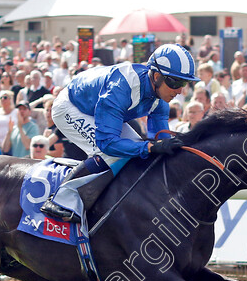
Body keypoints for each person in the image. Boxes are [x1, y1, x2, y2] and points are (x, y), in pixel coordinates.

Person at [40, 43, 199, 223]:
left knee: (137, 151)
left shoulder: (160, 98)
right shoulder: (122, 88)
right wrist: (150, 147)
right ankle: (61, 198)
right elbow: (107, 143)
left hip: (97, 106)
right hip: (70, 107)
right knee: (112, 153)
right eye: (176, 82)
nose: (180, 91)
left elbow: (160, 140)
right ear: (156, 76)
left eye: (185, 83)